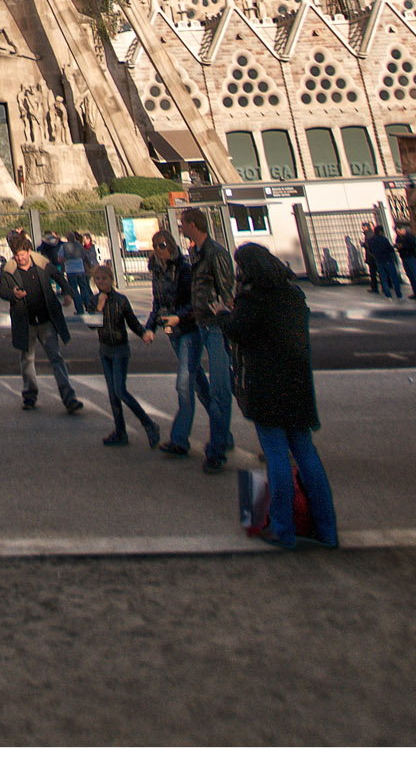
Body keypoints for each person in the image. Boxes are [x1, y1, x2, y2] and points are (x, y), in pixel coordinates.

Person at [213, 242, 339, 550]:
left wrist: (222, 313)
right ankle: (327, 529)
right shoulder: (294, 295)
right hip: (298, 383)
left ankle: (283, 529)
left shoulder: (253, 299)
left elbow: (238, 332)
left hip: (266, 385)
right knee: (307, 454)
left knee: (277, 456)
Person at [0, 231, 84, 415]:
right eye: (16, 256)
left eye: (22, 254)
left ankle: (69, 397)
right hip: (25, 321)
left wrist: (68, 293)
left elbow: (60, 277)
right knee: (27, 360)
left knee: (56, 358)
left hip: (46, 320)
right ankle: (29, 396)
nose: (20, 259)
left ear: (29, 251)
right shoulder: (8, 270)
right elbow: (2, 291)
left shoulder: (43, 264)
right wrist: (13, 293)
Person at [176, 208, 236, 472]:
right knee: (198, 382)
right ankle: (222, 437)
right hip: (200, 324)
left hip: (215, 328)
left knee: (221, 389)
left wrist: (224, 317)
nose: (181, 228)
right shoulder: (198, 253)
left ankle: (217, 450)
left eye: (183, 224)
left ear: (193, 224)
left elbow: (227, 293)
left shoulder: (215, 254)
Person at [145, 227, 210, 457]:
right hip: (173, 331)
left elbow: (195, 303)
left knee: (184, 384)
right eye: (157, 246)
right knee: (199, 383)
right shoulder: (158, 272)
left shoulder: (183, 270)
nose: (161, 250)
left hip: (190, 330)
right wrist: (150, 328)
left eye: (164, 245)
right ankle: (222, 431)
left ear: (172, 246)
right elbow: (157, 303)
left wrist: (178, 317)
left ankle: (180, 439)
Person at [90, 263, 160, 447]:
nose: (101, 282)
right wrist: (99, 306)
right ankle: (120, 431)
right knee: (113, 394)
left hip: (120, 350)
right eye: (98, 279)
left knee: (120, 390)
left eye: (104, 279)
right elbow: (92, 324)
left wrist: (144, 333)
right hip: (105, 349)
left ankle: (149, 424)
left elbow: (132, 321)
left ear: (111, 280)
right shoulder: (94, 300)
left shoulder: (121, 300)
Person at [368, 224, 404, 300]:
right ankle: (399, 294)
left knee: (383, 278)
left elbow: (370, 250)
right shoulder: (384, 239)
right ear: (380, 232)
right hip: (387, 259)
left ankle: (388, 295)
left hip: (378, 260)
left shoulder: (371, 240)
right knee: (394, 277)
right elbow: (390, 249)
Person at [62, 232, 94, 316]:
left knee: (74, 290)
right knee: (84, 289)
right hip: (80, 270)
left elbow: (59, 258)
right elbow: (84, 256)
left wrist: (66, 260)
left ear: (67, 238)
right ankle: (88, 307)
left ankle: (80, 310)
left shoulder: (64, 246)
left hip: (70, 270)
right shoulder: (79, 245)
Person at [394, 223, 416, 300]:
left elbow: (412, 246)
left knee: (415, 276)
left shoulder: (409, 236)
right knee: (410, 276)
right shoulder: (398, 237)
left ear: (402, 230)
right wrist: (398, 246)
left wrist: (402, 246)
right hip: (404, 257)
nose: (398, 233)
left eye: (398, 231)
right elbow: (397, 245)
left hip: (411, 257)